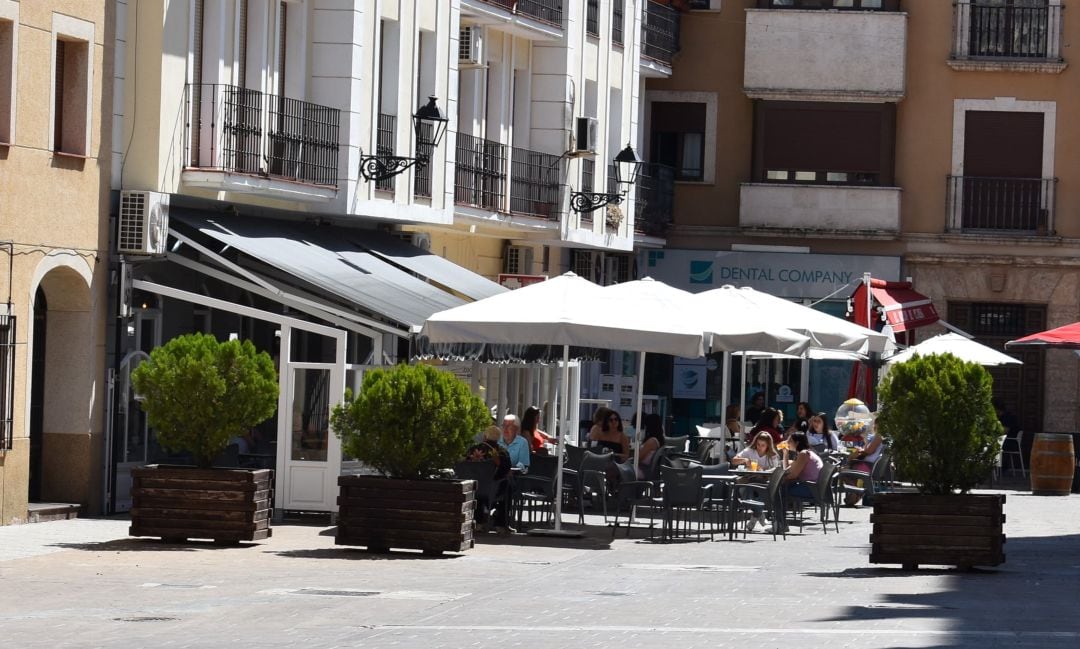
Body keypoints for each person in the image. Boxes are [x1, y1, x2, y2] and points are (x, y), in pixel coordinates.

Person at [464, 426, 512, 533]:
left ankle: (478, 522)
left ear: (485, 436)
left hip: (473, 488)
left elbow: (463, 464)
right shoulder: (501, 452)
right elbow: (505, 471)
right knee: (508, 486)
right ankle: (500, 524)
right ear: (499, 438)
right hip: (493, 490)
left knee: (479, 485)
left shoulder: (472, 450)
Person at [844, 418, 884, 506]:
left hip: (867, 466)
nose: (874, 426)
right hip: (866, 465)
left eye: (876, 424)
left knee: (842, 471)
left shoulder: (879, 436)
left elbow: (869, 451)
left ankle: (855, 492)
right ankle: (856, 493)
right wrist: (864, 445)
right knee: (845, 468)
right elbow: (868, 450)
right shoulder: (876, 436)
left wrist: (859, 451)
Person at [636, 413, 666, 478]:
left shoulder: (651, 441)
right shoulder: (658, 440)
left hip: (642, 470)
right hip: (646, 469)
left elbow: (638, 458)